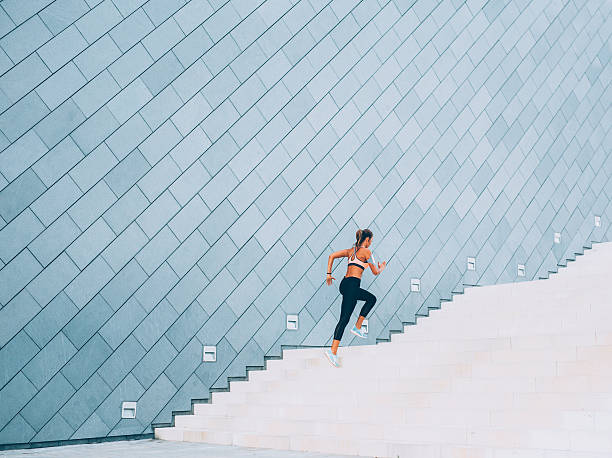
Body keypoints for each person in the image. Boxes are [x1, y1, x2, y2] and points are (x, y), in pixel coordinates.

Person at [324, 228, 386, 367]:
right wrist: (381, 268)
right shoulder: (367, 252)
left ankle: (356, 328)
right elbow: (375, 272)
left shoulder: (350, 251)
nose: (371, 243)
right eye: (371, 241)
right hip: (352, 285)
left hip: (344, 284)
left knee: (348, 315)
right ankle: (334, 350)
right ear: (367, 240)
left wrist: (328, 274)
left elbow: (331, 256)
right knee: (368, 301)